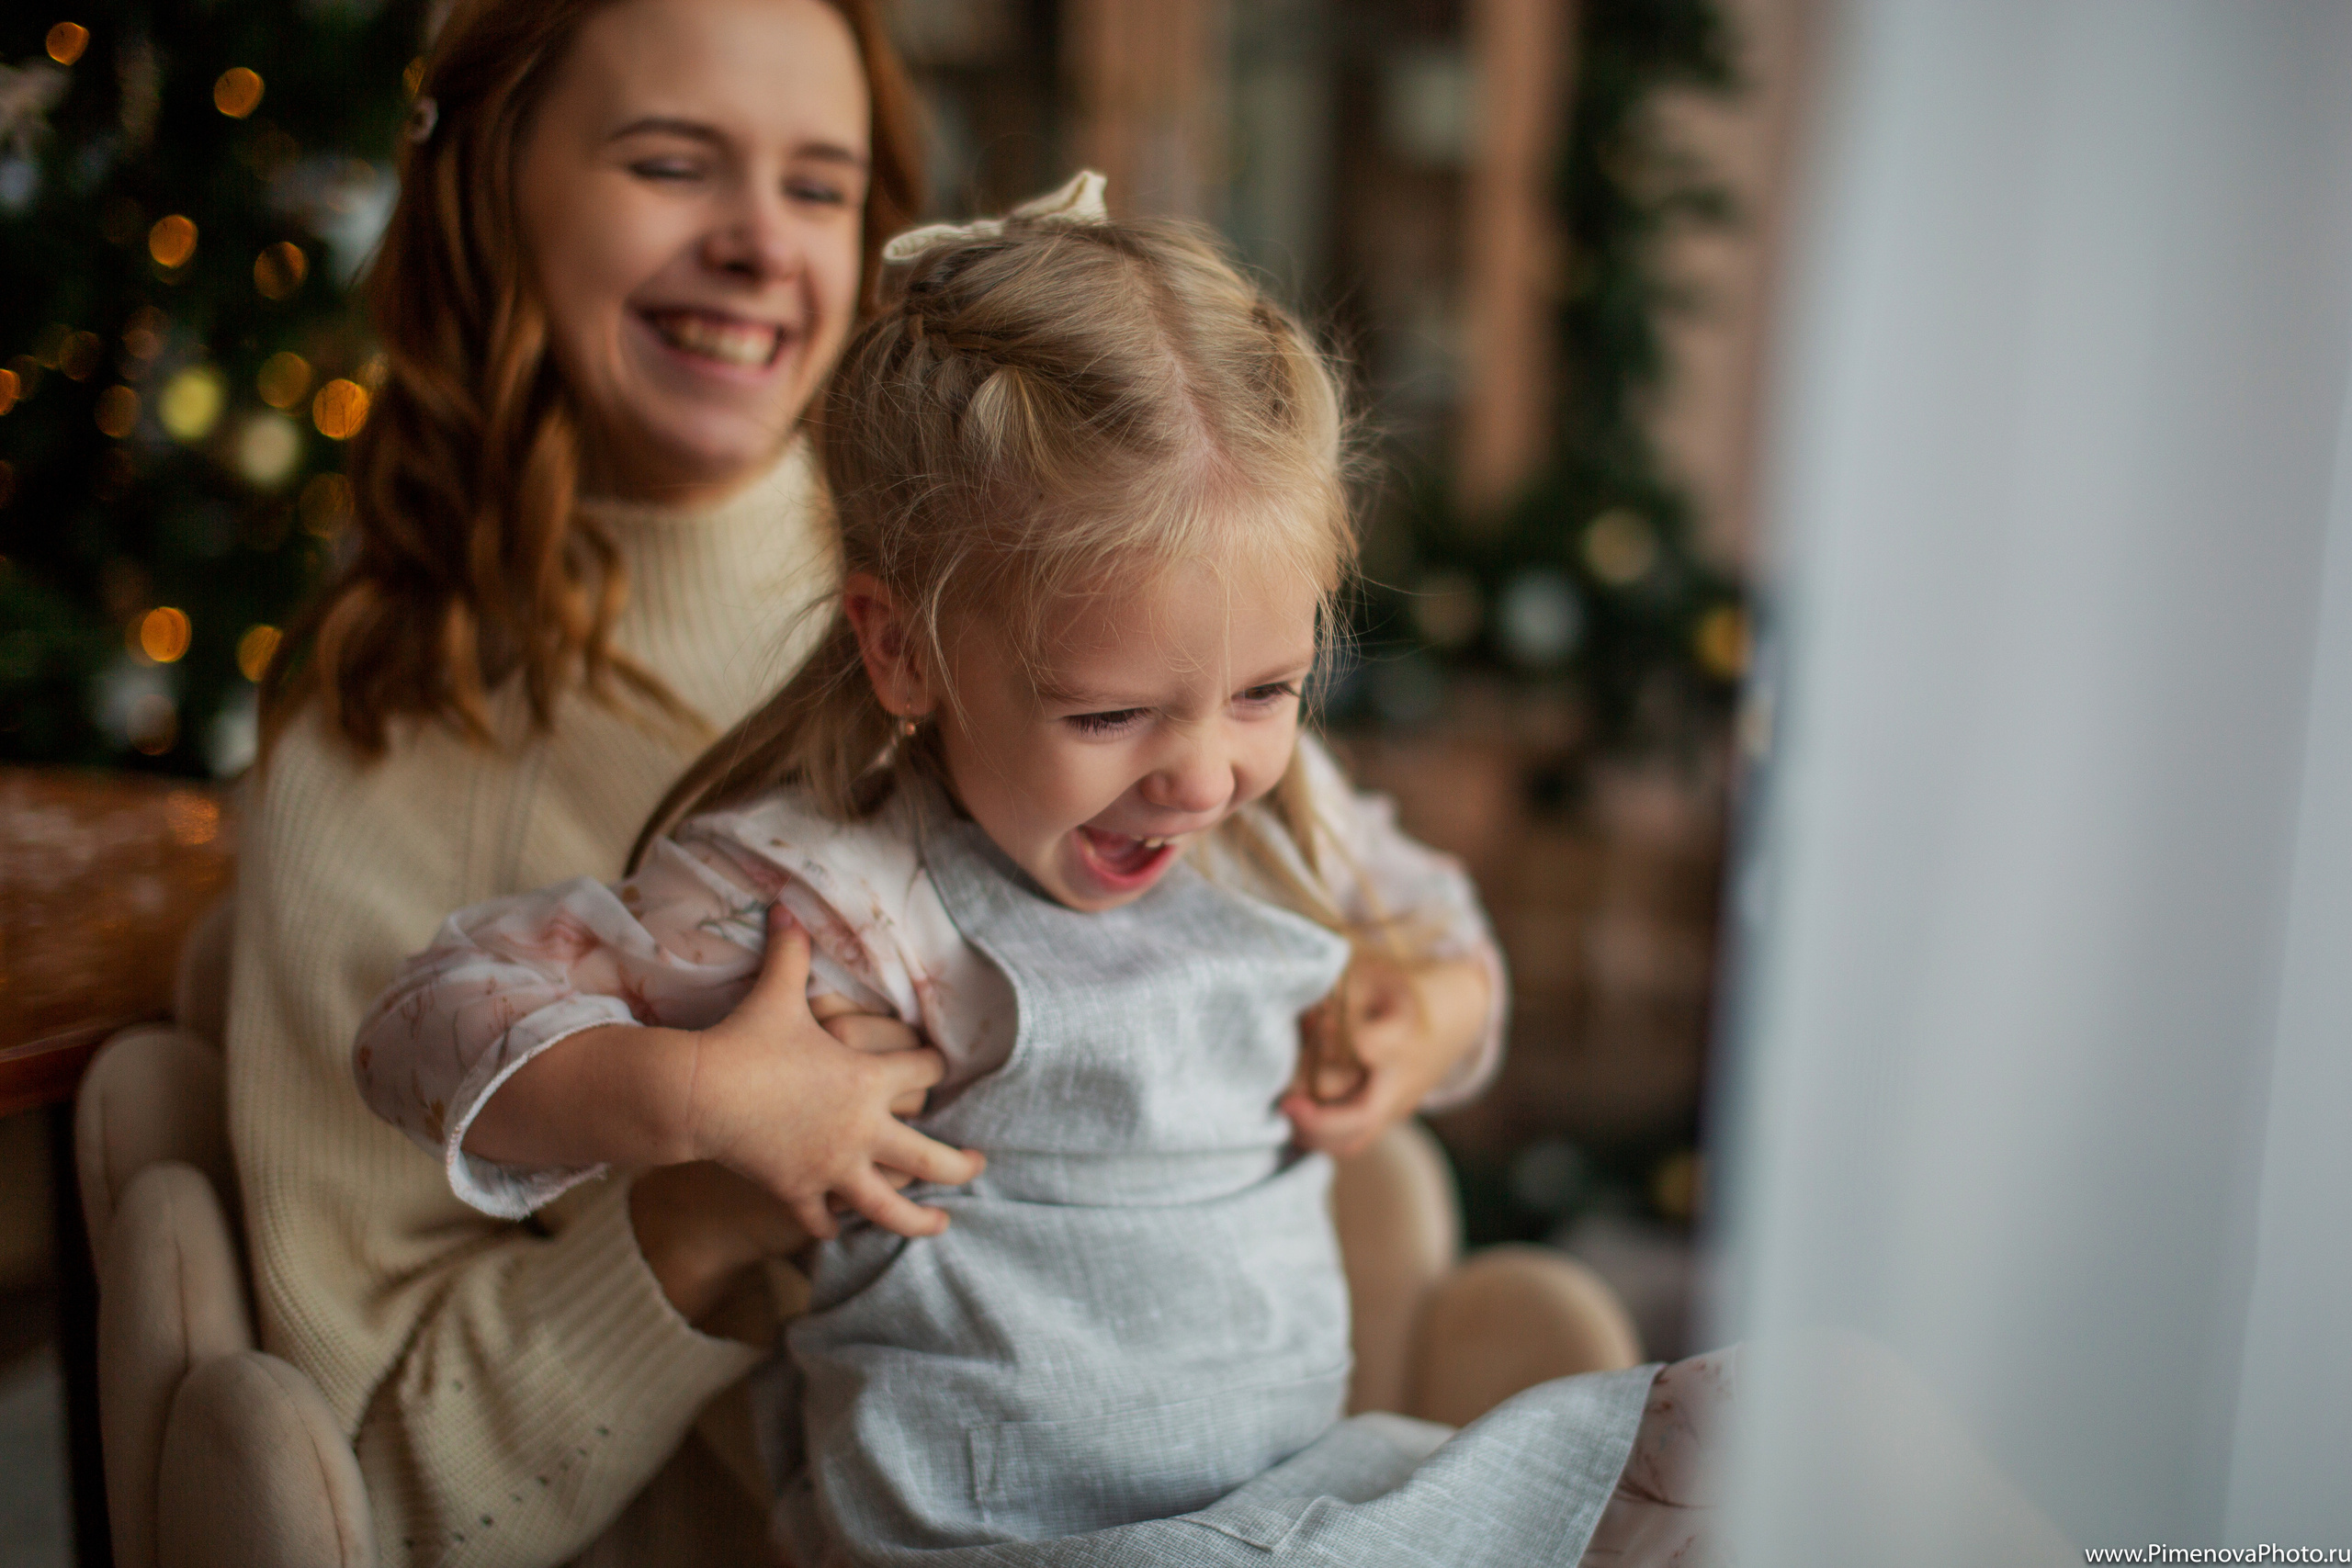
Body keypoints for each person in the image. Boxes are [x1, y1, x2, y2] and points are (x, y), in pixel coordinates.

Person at [233, 2, 1509, 1562]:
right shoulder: (426, 754)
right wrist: (705, 1178)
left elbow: (1350, 908)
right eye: (672, 162)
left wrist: (1411, 1005)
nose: (764, 244)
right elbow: (361, 1505)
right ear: (492, 187)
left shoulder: (1088, 561)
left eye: (823, 185)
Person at [352, 198, 1727, 1566]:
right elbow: (421, 1028)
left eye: (1265, 690)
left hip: (1298, 1503)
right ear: (903, 653)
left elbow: (1447, 935)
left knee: (1718, 1449)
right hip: (1008, 1546)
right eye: (1108, 716)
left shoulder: (1286, 833)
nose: (1203, 777)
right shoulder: (833, 906)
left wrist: (1424, 1013)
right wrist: (710, 1097)